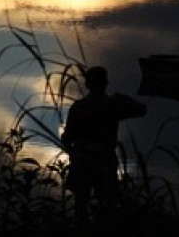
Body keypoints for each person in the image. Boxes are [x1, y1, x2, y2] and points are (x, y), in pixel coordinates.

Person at [60, 65, 147, 224]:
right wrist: (124, 98)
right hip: (105, 160)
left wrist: (75, 153)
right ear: (106, 83)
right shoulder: (112, 104)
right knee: (106, 205)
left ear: (87, 84)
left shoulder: (78, 107)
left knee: (81, 204)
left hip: (83, 162)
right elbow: (142, 110)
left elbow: (66, 139)